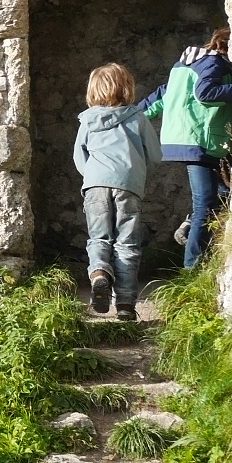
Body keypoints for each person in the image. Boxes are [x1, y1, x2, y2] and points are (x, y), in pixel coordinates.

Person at [141, 25, 232, 270]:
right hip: (201, 141)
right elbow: (205, 93)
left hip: (189, 141)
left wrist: (135, 116)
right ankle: (191, 268)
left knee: (223, 195)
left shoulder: (185, 65)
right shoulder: (216, 63)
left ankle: (189, 227)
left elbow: (163, 95)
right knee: (204, 205)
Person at [74, 62, 163, 321]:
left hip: (94, 185)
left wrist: (92, 176)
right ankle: (125, 305)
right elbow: (156, 156)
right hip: (128, 185)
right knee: (127, 244)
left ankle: (99, 273)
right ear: (127, 87)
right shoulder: (137, 118)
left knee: (98, 238)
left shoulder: (87, 120)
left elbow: (80, 156)